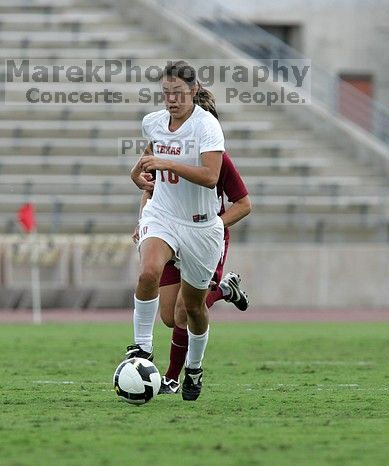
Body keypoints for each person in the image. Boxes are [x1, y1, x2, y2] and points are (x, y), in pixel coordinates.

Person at [126, 60, 225, 401]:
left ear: (193, 91)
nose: (171, 99)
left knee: (193, 310)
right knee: (148, 272)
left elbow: (211, 176)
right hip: (163, 215)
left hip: (200, 227)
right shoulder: (152, 123)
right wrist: (136, 176)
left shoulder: (207, 126)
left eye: (178, 93)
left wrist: (168, 163)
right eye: (166, 93)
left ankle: (194, 368)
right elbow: (144, 164)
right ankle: (141, 350)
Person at [133, 150, 251, 395]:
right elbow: (148, 188)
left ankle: (174, 377)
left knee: (183, 311)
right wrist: (143, 220)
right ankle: (224, 290)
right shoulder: (165, 148)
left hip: (202, 238)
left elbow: (243, 204)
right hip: (168, 231)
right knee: (169, 317)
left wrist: (214, 226)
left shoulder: (218, 158)